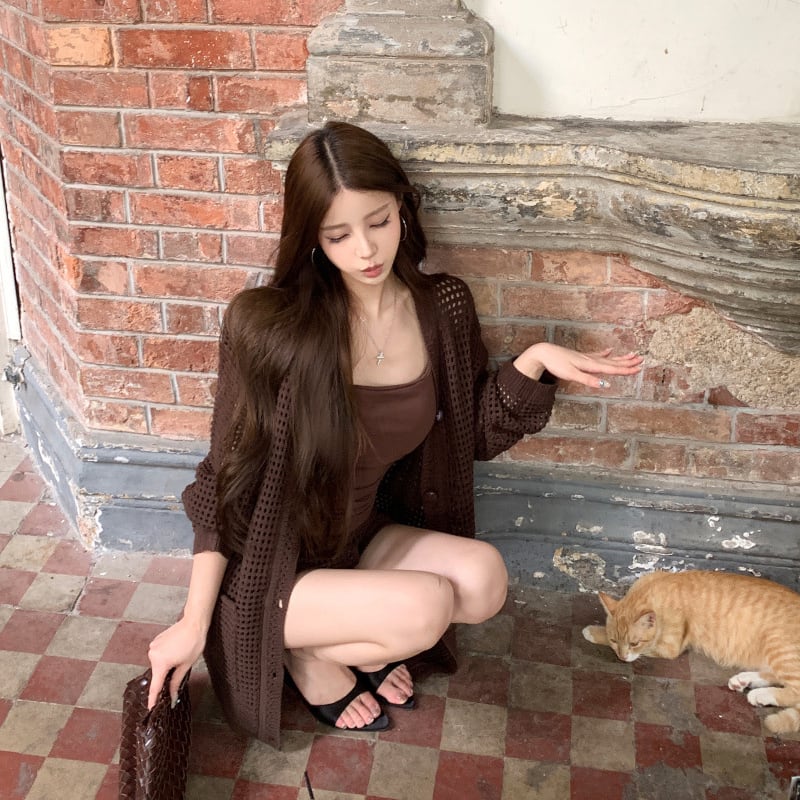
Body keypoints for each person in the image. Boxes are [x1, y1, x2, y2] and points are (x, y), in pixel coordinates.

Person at [147, 120, 643, 746]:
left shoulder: (441, 308)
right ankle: (305, 656)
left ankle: (332, 638)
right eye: (338, 235)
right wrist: (193, 622)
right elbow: (220, 483)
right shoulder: (271, 328)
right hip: (272, 571)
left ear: (402, 208)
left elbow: (471, 436)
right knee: (426, 608)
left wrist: (535, 361)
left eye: (378, 221)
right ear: (311, 238)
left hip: (360, 540)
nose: (365, 250)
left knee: (484, 581)